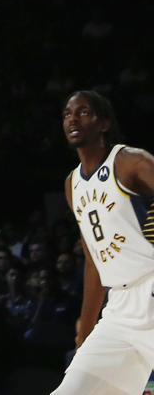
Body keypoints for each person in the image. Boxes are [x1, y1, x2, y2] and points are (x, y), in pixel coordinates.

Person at [50, 90, 154, 395]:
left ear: (104, 122)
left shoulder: (130, 162)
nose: (73, 119)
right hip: (119, 309)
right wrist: (86, 328)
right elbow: (94, 262)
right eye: (67, 114)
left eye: (83, 112)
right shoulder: (73, 184)